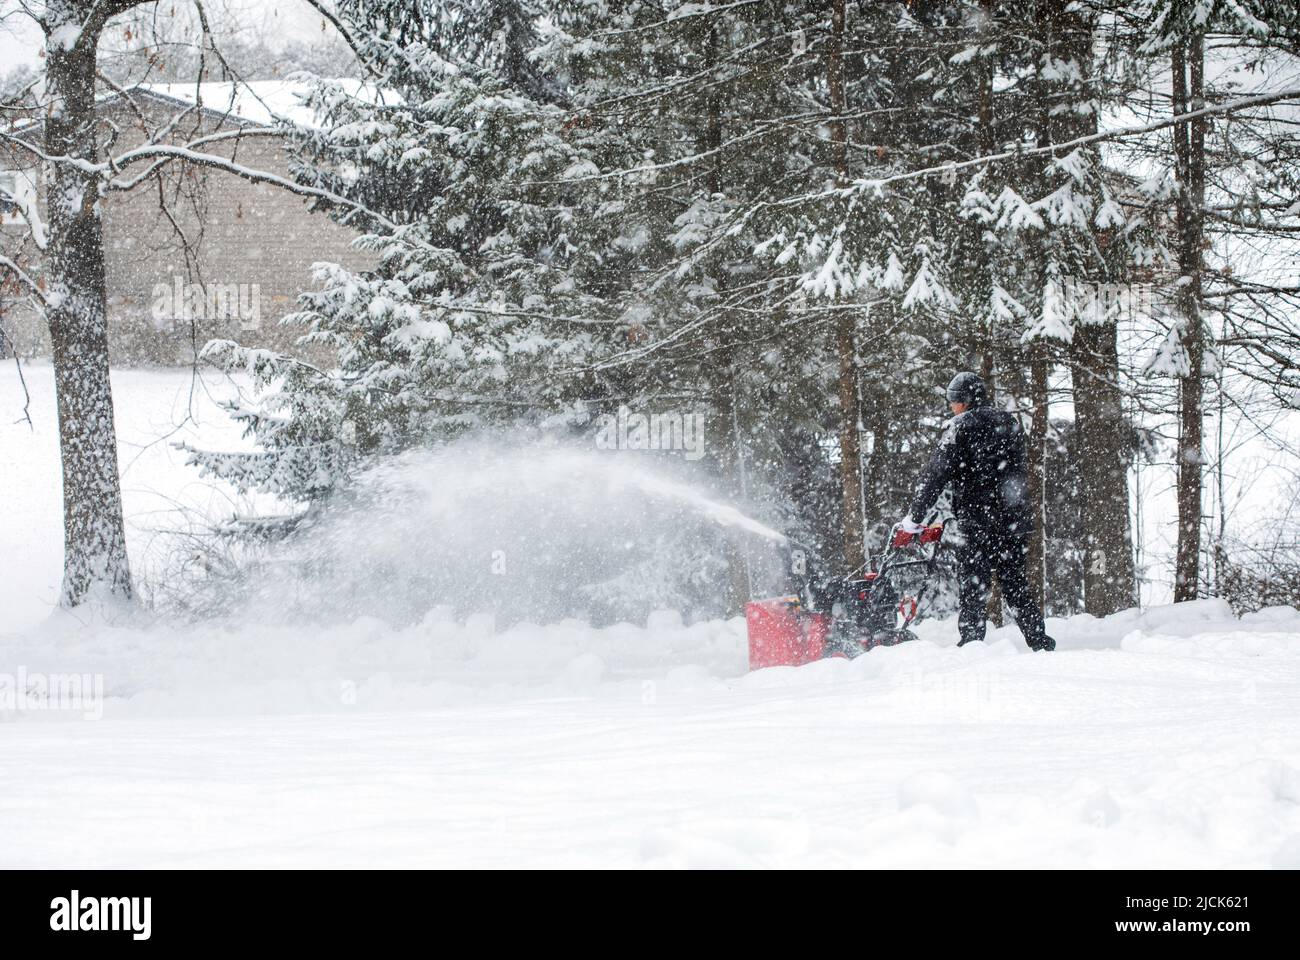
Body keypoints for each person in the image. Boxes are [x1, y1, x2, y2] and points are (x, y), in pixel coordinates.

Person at [899, 372, 1055, 651]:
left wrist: (915, 517)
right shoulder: (1009, 422)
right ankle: (1038, 640)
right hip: (1014, 520)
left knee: (974, 583)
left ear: (965, 401)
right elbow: (1016, 469)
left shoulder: (959, 427)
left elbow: (935, 475)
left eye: (954, 401)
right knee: (1015, 581)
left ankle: (972, 643)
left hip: (978, 519)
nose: (951, 407)